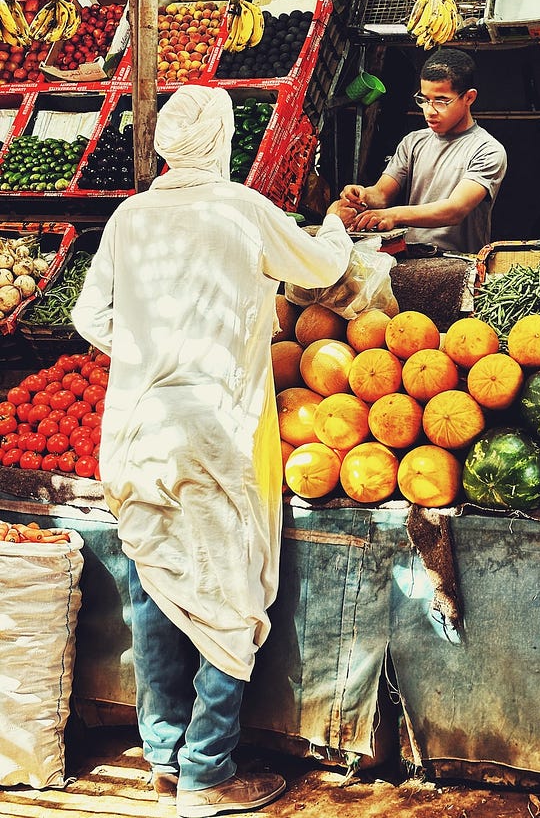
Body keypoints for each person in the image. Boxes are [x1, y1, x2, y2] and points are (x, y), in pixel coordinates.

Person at [71, 84, 356, 818]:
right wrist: (335, 224)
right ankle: (206, 771)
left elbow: (88, 314)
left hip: (136, 428)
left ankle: (164, 757)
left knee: (156, 587)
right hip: (218, 431)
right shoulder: (242, 208)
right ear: (223, 140)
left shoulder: (130, 217)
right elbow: (321, 269)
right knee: (228, 595)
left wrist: (145, 350)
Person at [341, 47, 507, 254]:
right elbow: (382, 194)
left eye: (441, 100)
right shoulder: (413, 142)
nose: (429, 110)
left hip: (457, 262)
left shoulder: (487, 150)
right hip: (410, 256)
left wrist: (393, 215)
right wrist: (362, 194)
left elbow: (455, 210)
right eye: (425, 100)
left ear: (469, 98)